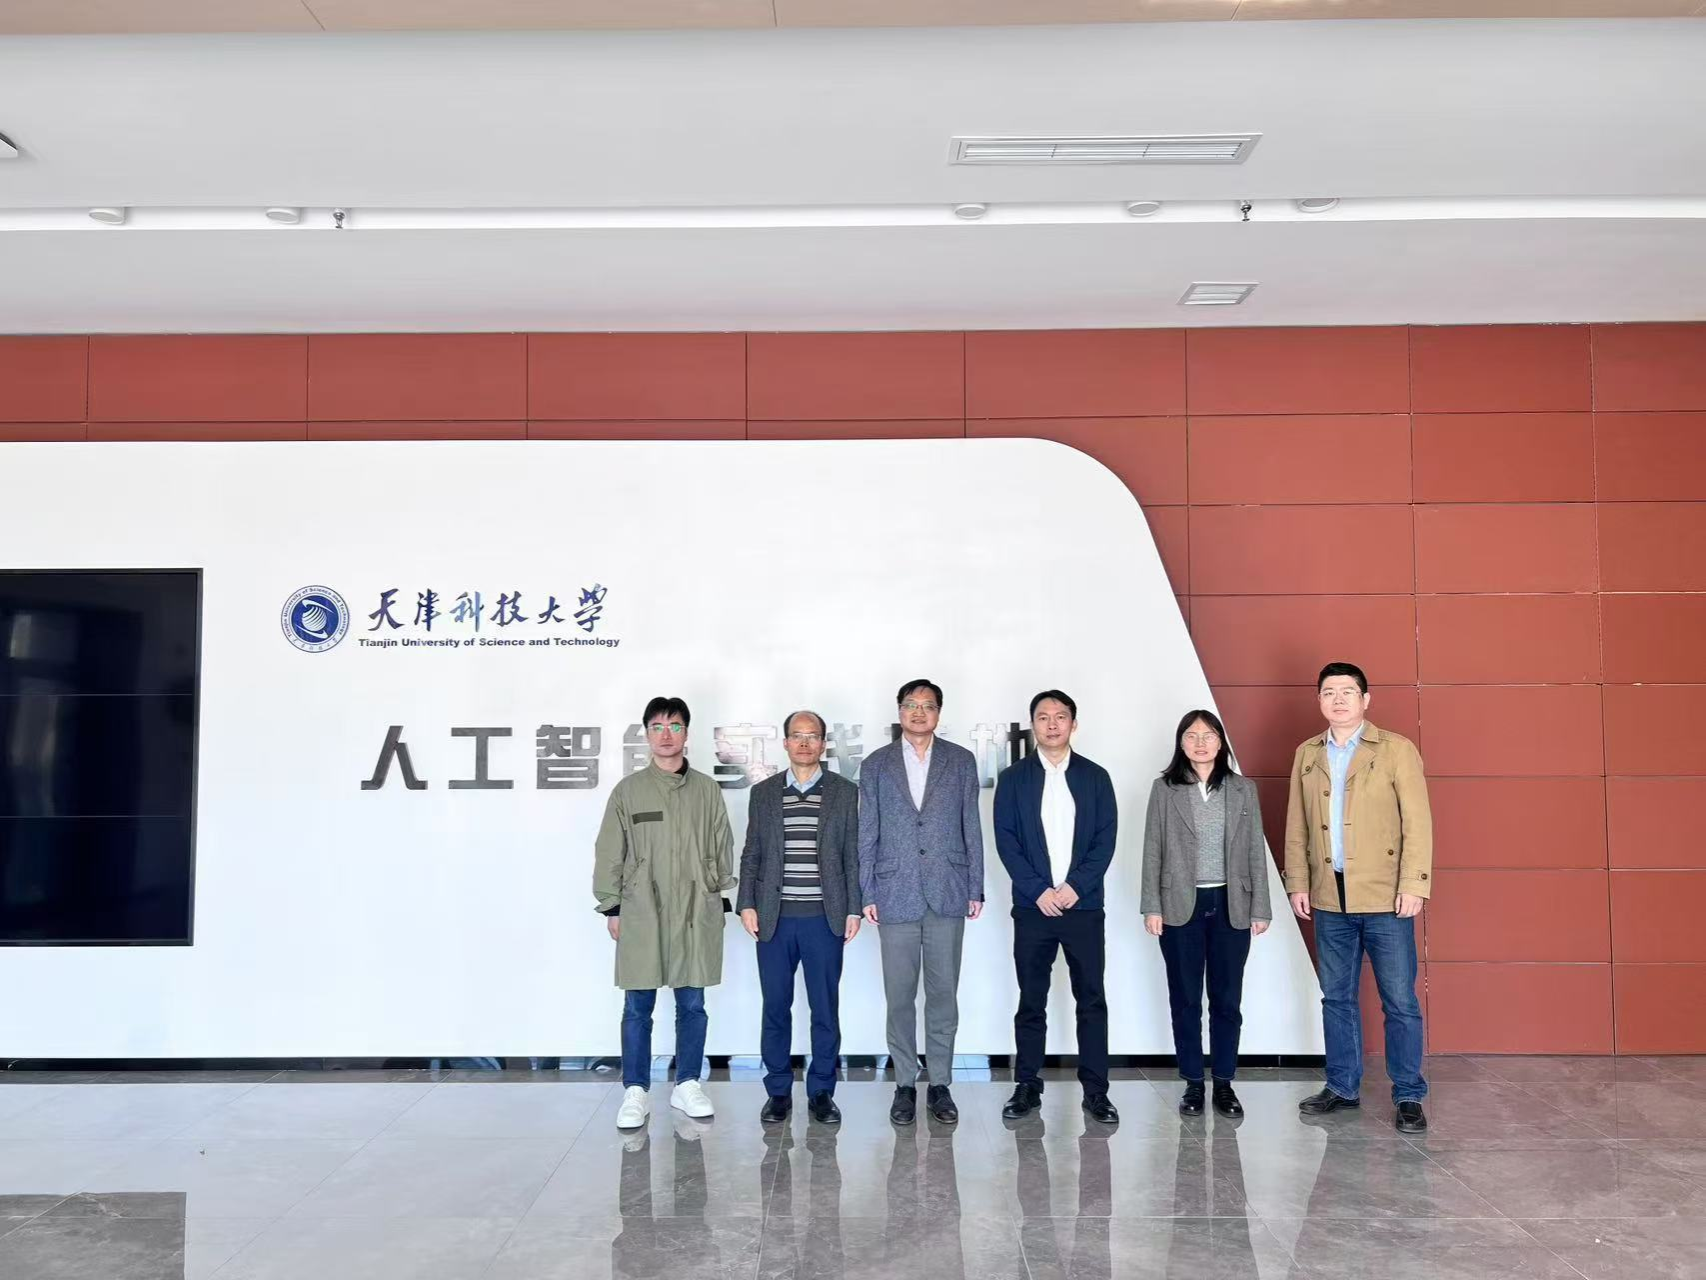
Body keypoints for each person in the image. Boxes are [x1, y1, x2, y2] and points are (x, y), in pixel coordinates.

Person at [1285, 662, 1433, 1134]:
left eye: (1348, 691)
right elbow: (1297, 825)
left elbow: (1418, 823)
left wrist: (1414, 884)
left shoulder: (1395, 750)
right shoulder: (1307, 754)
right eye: (1329, 691)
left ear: (1365, 700)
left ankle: (1408, 1093)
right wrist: (1298, 882)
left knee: (1399, 1000)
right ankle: (1342, 1086)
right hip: (1330, 895)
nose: (1338, 699)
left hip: (1386, 896)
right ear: (1319, 700)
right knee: (1336, 998)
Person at [593, 695, 736, 1130]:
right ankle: (636, 1089)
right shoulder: (629, 791)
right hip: (643, 909)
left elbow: (722, 845)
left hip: (694, 908)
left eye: (675, 726)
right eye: (657, 727)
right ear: (646, 735)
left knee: (692, 1003)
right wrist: (612, 905)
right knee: (638, 1004)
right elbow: (610, 850)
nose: (666, 735)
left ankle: (687, 1082)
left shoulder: (706, 790)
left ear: (686, 733)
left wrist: (714, 890)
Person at [858, 678, 984, 1126]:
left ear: (938, 714)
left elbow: (971, 824)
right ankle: (905, 1084)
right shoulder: (876, 764)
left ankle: (941, 1084)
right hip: (894, 891)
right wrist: (867, 891)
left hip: (948, 889)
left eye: (927, 706)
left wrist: (975, 886)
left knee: (943, 993)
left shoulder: (960, 761)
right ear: (899, 711)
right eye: (910, 705)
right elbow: (867, 831)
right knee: (899, 996)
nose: (918, 712)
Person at [993, 689, 1120, 1125]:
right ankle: (1027, 1085)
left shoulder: (1096, 777)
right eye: (1043, 717)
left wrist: (1075, 888)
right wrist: (1039, 891)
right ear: (1033, 725)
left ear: (1073, 724)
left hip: (1083, 908)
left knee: (1091, 1000)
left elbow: (1105, 840)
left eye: (1060, 716)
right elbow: (1006, 841)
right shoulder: (1013, 779)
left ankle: (1097, 1091)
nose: (1052, 724)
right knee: (1031, 1000)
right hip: (1034, 909)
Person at [1140, 709, 1271, 1117]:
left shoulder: (1242, 789)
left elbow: (1255, 850)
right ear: (1181, 743)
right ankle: (1193, 1083)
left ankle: (1225, 1084)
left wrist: (1261, 907)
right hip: (1180, 906)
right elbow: (1153, 849)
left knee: (1227, 999)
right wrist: (1152, 906)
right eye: (1192, 736)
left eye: (1209, 735)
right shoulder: (1165, 789)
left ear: (1220, 742)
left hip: (1232, 903)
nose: (1201, 743)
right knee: (1185, 999)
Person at [738, 709, 863, 1126]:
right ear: (786, 743)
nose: (805, 743)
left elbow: (852, 856)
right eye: (797, 735)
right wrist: (747, 903)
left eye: (812, 736)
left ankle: (822, 1091)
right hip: (774, 919)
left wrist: (853, 908)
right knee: (776, 1006)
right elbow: (752, 852)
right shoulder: (765, 793)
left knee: (824, 1008)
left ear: (823, 743)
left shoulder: (844, 792)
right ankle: (777, 1091)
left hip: (824, 919)